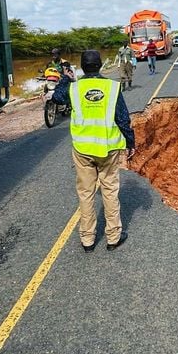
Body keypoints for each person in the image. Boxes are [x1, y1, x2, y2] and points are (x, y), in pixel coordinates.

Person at [51, 50, 135, 251]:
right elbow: (122, 118)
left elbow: (56, 98)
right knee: (110, 191)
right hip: (109, 149)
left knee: (86, 193)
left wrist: (65, 78)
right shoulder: (113, 87)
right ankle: (113, 237)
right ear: (99, 65)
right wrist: (130, 143)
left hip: (83, 149)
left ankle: (87, 239)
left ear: (81, 67)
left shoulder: (74, 88)